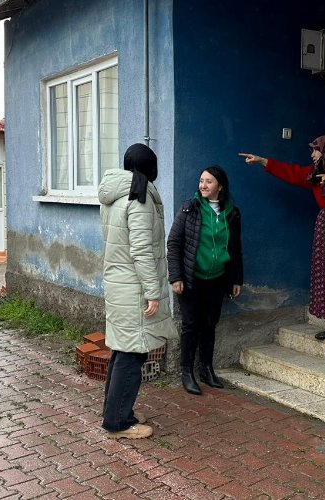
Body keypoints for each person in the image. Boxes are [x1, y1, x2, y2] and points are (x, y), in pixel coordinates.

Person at [98, 143, 176, 439]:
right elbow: (142, 250)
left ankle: (117, 412)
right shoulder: (139, 200)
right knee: (132, 356)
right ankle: (118, 422)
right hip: (133, 288)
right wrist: (153, 292)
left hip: (120, 284)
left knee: (122, 351)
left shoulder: (115, 196)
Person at [239, 135, 325, 341]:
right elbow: (291, 173)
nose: (312, 154)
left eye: (315, 150)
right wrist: (261, 160)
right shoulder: (315, 174)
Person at [167, 165, 243, 395]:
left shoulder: (231, 212)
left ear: (220, 186)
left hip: (217, 279)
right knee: (191, 325)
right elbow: (173, 243)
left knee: (210, 324)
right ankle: (186, 372)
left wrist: (236, 279)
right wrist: (176, 276)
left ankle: (206, 369)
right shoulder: (190, 209)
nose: (203, 185)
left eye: (208, 182)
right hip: (192, 279)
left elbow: (236, 248)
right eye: (201, 181)